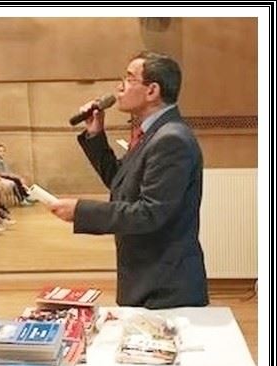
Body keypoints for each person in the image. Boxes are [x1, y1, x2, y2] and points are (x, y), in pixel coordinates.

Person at [50, 51, 209, 309]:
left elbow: (150, 213)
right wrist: (96, 135)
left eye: (129, 78)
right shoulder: (152, 133)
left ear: (152, 90)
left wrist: (81, 211)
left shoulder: (171, 139)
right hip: (146, 273)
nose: (119, 87)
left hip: (165, 282)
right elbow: (120, 182)